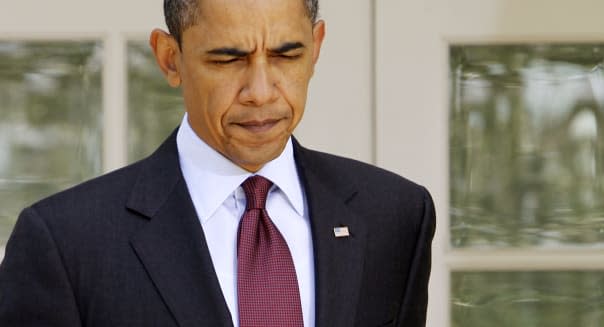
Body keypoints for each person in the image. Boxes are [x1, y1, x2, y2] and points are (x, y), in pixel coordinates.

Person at [0, 0, 435, 326]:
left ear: (317, 47)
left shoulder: (396, 216)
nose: (261, 91)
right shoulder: (64, 244)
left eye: (286, 55)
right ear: (171, 59)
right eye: (229, 59)